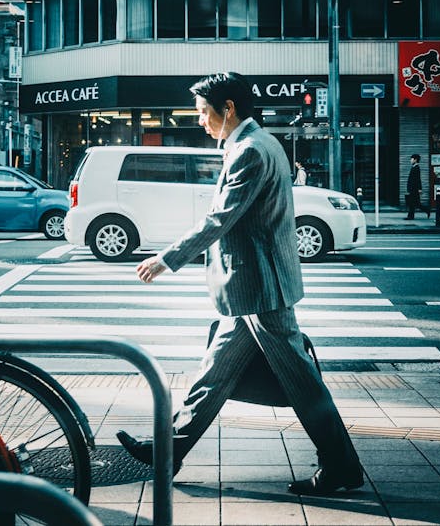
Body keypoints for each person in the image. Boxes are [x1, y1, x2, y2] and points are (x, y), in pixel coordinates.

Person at [115, 72, 363, 496]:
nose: (200, 121)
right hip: (250, 287)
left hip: (259, 288)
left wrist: (166, 258)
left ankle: (341, 466)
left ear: (227, 108)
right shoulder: (263, 142)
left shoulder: (249, 151)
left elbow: (221, 219)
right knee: (213, 376)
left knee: (303, 384)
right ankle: (168, 452)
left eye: (203, 113)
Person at [405, 153, 426, 220]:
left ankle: (410, 216)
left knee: (412, 203)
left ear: (415, 160)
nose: (410, 160)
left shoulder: (417, 168)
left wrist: (419, 188)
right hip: (412, 188)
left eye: (411, 159)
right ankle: (426, 210)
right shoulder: (414, 167)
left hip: (414, 188)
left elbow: (417, 179)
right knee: (416, 203)